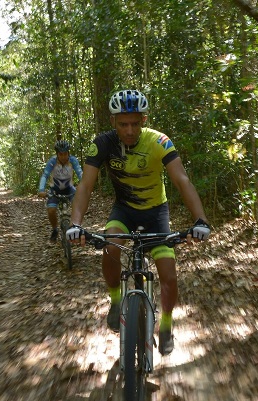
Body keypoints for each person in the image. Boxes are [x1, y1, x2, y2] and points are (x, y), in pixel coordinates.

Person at [67, 89, 211, 356]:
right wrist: (75, 223)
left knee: (168, 276)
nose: (130, 130)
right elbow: (85, 186)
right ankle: (115, 300)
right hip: (124, 212)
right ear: (113, 122)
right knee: (110, 247)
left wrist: (200, 220)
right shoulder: (102, 144)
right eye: (123, 124)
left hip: (156, 214)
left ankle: (166, 325)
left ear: (144, 120)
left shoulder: (160, 142)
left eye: (135, 123)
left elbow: (182, 181)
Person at [38, 140, 83, 242]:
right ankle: (55, 230)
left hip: (69, 188)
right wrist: (41, 190)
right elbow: (45, 175)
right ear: (57, 154)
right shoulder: (52, 161)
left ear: (68, 153)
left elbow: (80, 173)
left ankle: (76, 227)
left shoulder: (73, 160)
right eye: (60, 154)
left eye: (65, 154)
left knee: (78, 206)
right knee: (51, 210)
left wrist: (85, 186)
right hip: (55, 189)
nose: (63, 157)